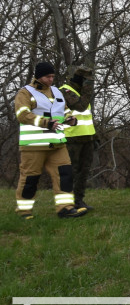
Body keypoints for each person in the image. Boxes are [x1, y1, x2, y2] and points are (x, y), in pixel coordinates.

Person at [14, 61, 88, 219]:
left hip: (57, 143)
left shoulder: (56, 91)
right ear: (39, 76)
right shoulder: (25, 93)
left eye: (53, 76)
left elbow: (64, 111)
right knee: (30, 179)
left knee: (65, 175)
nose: (51, 80)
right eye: (48, 76)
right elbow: (22, 115)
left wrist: (70, 118)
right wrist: (45, 122)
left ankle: (66, 209)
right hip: (34, 145)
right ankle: (24, 211)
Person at [60, 64, 97, 211]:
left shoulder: (81, 93)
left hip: (87, 138)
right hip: (72, 138)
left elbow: (87, 117)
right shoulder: (66, 91)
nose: (89, 85)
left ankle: (79, 200)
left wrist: (95, 136)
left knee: (84, 171)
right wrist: (88, 90)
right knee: (72, 171)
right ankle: (68, 202)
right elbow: (80, 107)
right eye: (87, 82)